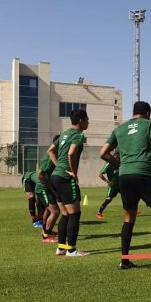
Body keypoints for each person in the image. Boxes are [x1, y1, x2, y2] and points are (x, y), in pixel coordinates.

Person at [99, 101, 151, 271]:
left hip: (124, 175)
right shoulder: (150, 124)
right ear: (148, 113)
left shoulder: (119, 129)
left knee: (129, 215)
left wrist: (119, 164)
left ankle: (125, 259)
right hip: (144, 172)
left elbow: (103, 153)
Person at [48, 109, 89, 257]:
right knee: (74, 214)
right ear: (80, 121)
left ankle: (61, 248)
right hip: (65, 178)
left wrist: (58, 165)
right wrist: (73, 172)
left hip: (55, 177)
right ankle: (71, 250)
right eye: (87, 119)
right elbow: (71, 153)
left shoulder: (64, 133)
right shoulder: (78, 135)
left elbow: (50, 150)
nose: (88, 122)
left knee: (65, 214)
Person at [35, 141, 60, 243]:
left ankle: (45, 231)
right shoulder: (49, 159)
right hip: (43, 189)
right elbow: (40, 174)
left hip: (47, 189)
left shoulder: (54, 156)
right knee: (55, 211)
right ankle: (46, 236)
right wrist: (50, 187)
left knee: (49, 210)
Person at [96, 152, 121, 219]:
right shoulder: (108, 164)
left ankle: (133, 210)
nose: (118, 159)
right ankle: (99, 213)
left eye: (118, 158)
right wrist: (107, 182)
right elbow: (100, 175)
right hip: (113, 185)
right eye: (116, 158)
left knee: (129, 196)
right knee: (109, 199)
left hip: (121, 184)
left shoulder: (120, 164)